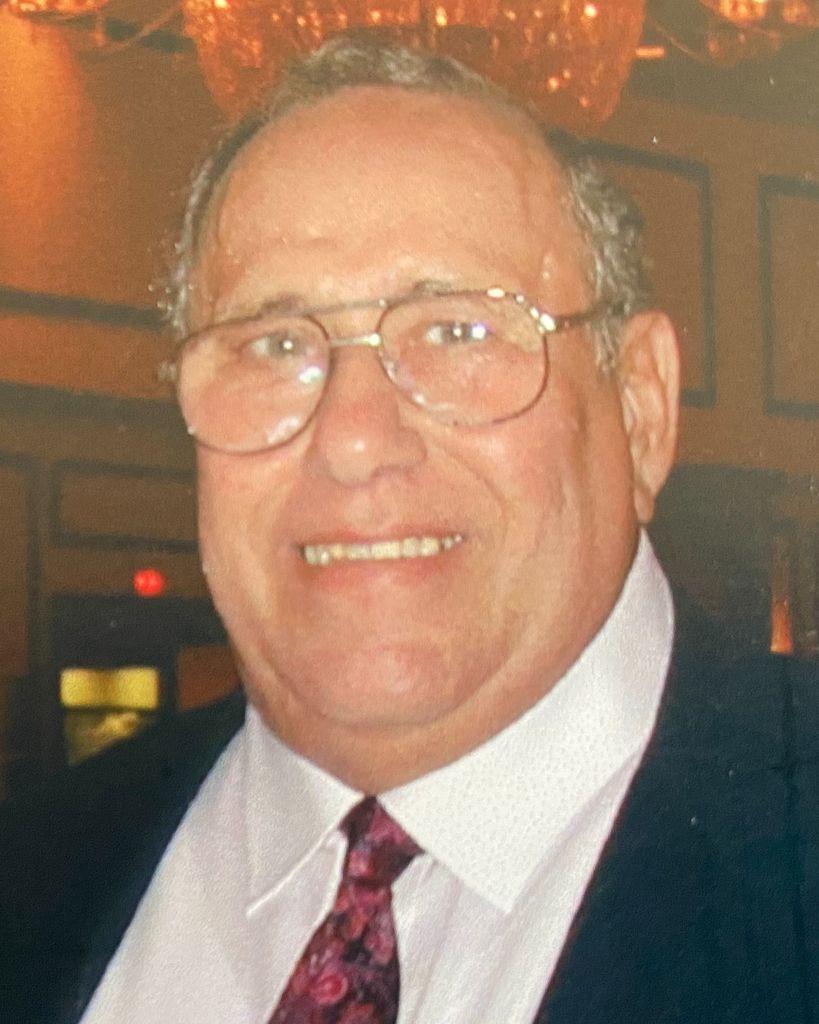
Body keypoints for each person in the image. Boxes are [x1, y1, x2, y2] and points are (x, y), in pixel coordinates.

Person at [1, 35, 818, 1024]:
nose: (353, 439)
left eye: (458, 330)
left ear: (640, 408)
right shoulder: (34, 869)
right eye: (274, 344)